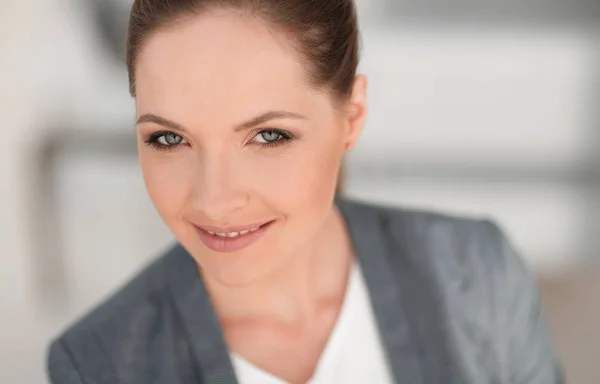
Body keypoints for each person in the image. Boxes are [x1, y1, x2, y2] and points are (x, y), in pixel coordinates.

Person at [46, 0, 563, 383]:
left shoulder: (477, 276)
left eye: (269, 136)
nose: (214, 199)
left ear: (350, 119)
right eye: (169, 138)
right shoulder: (99, 364)